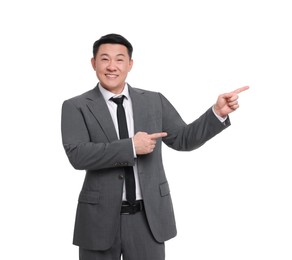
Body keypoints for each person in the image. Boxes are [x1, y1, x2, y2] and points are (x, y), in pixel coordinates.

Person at [61, 33, 249, 260]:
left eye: (119, 59)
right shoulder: (76, 106)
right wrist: (131, 147)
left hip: (147, 219)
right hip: (97, 219)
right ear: (93, 63)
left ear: (130, 64)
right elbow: (78, 155)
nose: (112, 66)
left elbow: (183, 139)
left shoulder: (153, 101)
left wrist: (216, 114)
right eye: (104, 59)